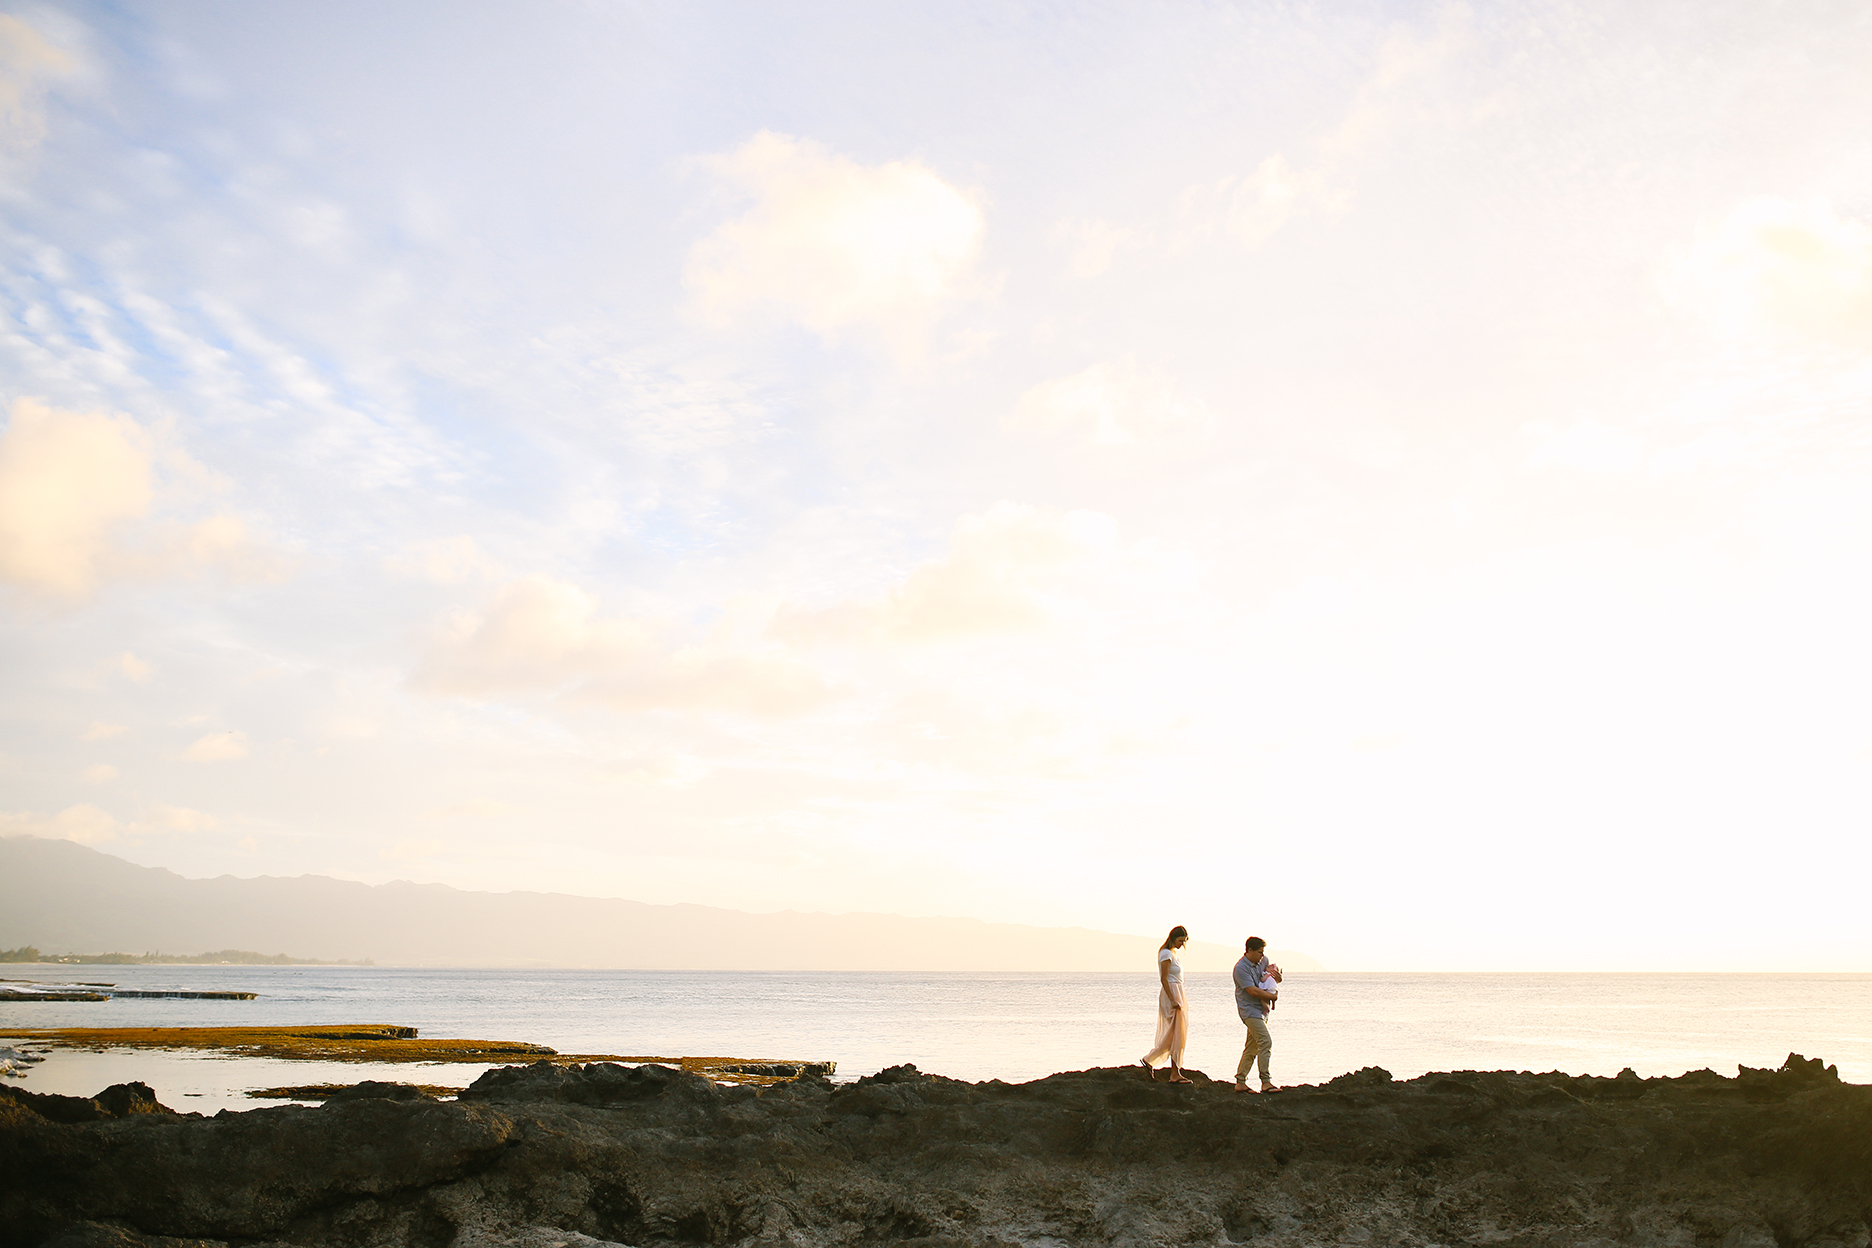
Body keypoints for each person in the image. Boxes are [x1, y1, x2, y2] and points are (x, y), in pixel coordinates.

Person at [1140, 925, 1192, 1083]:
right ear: (1172, 938)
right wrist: (1173, 999)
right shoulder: (1165, 953)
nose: (1181, 944)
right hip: (1172, 993)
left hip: (1178, 991)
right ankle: (1171, 1072)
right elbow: (1164, 978)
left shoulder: (1173, 954)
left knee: (1177, 1033)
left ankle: (1161, 1064)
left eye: (1184, 942)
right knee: (1176, 1033)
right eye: (1180, 940)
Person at [1233, 936, 1282, 1093]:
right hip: (1249, 1010)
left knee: (1252, 1046)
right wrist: (1273, 997)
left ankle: (1240, 1081)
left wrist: (1278, 979)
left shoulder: (1263, 961)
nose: (1262, 955)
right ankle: (1265, 1081)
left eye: (1263, 952)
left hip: (1262, 1011)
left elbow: (1269, 979)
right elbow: (1253, 991)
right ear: (1249, 951)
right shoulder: (1240, 968)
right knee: (1265, 1041)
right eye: (1259, 952)